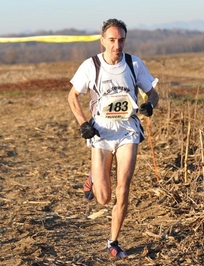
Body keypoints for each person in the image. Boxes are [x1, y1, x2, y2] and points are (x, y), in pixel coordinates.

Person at [68, 18, 159, 259]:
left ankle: (113, 242)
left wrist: (150, 105)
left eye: (121, 40)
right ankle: (93, 178)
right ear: (102, 41)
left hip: (128, 131)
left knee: (123, 189)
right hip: (101, 133)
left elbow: (153, 93)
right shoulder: (91, 66)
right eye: (112, 40)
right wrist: (83, 124)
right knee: (103, 198)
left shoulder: (134, 64)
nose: (117, 45)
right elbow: (72, 96)